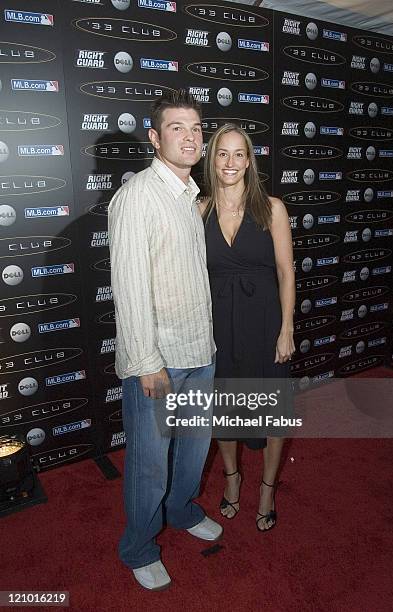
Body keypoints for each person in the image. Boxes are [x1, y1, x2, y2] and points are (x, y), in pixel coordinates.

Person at [108, 90, 221, 592]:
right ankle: (137, 546)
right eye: (177, 127)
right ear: (155, 138)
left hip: (199, 353)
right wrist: (147, 364)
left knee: (193, 452)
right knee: (150, 465)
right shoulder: (137, 197)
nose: (191, 135)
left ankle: (181, 510)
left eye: (196, 127)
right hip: (159, 362)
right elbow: (130, 290)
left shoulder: (188, 196)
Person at [200, 124, 295, 532]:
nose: (231, 163)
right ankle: (233, 479)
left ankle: (268, 489)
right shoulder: (199, 209)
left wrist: (286, 328)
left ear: (250, 160)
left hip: (265, 322)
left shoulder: (271, 208)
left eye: (240, 154)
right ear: (212, 159)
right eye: (223, 153)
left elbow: (286, 272)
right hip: (218, 326)